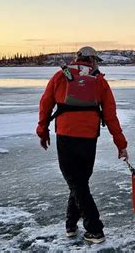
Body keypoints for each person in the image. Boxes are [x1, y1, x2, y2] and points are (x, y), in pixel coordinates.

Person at [36, 46, 128, 243]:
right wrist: (120, 143)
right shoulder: (99, 81)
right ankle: (70, 224)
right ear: (92, 61)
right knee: (79, 182)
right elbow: (111, 116)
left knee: (76, 182)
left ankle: (95, 229)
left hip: (66, 135)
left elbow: (45, 104)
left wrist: (42, 131)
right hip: (89, 137)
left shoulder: (61, 76)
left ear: (77, 58)